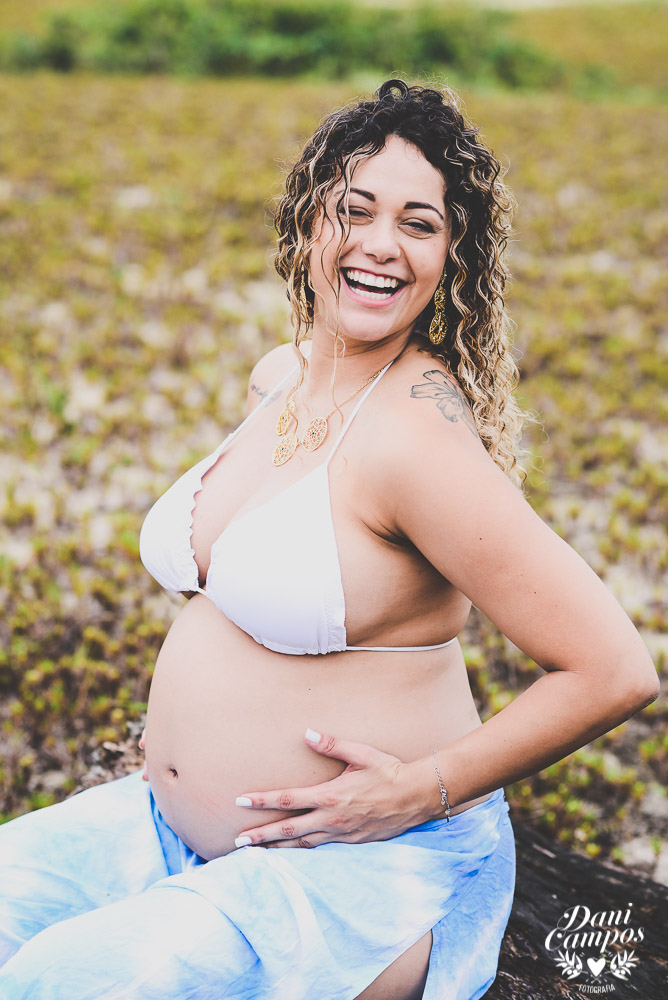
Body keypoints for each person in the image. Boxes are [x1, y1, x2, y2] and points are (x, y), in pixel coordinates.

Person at [0, 79, 658, 1000]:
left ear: (450, 259)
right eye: (355, 209)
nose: (381, 243)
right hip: (164, 827)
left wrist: (418, 788)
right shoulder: (285, 377)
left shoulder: (417, 440)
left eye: (420, 224)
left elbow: (613, 668)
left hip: (350, 876)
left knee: (67, 982)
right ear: (310, 223)